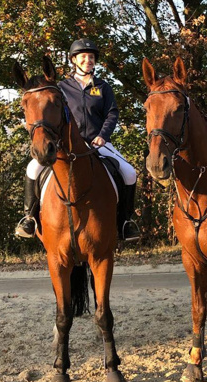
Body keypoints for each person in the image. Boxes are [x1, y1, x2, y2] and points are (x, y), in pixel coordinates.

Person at [15, 38, 141, 241]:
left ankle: (126, 222)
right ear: (74, 60)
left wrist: (102, 136)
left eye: (91, 57)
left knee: (129, 172)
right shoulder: (62, 87)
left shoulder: (103, 87)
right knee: (32, 169)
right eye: (83, 56)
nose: (88, 60)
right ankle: (29, 218)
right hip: (66, 145)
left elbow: (112, 114)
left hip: (97, 143)